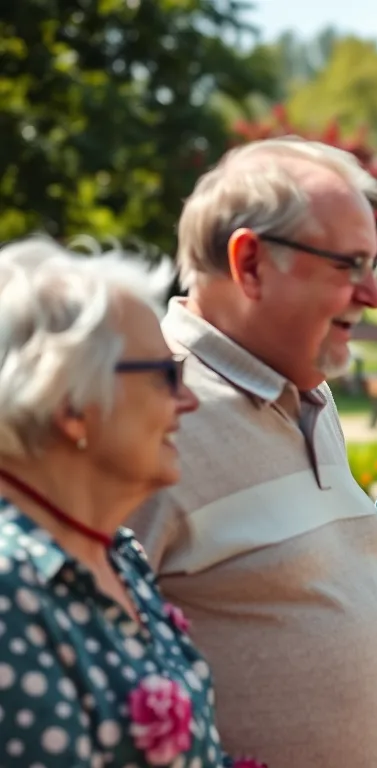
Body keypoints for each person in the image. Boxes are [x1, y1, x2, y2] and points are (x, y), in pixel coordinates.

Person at [127, 137, 377, 768]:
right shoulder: (146, 419)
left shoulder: (308, 389)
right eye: (350, 264)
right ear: (251, 263)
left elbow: (350, 563)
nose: (373, 294)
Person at [0, 237, 246, 766]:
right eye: (164, 375)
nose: (189, 400)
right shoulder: (10, 589)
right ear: (71, 404)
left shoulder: (118, 554)